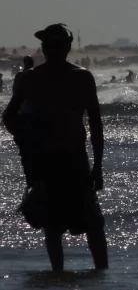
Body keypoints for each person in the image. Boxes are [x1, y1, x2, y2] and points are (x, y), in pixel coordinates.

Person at [1, 23, 107, 271]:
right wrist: (25, 139)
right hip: (44, 160)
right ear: (43, 48)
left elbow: (95, 123)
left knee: (92, 223)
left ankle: (103, 276)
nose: (53, 50)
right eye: (48, 46)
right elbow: (9, 116)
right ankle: (57, 276)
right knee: (52, 225)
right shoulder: (31, 79)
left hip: (75, 158)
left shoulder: (81, 77)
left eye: (57, 46)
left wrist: (98, 166)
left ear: (67, 47)